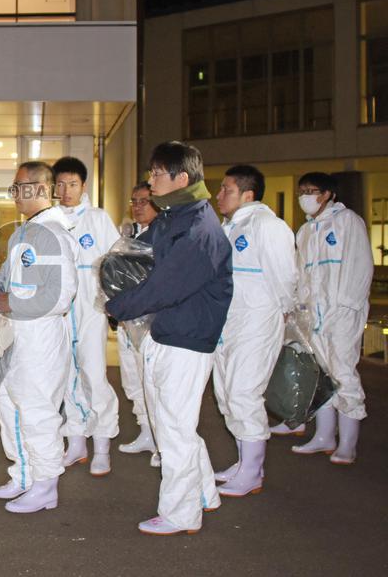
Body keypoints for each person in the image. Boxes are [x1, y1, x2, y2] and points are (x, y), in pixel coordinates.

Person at [105, 141, 232, 536]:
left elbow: (164, 286)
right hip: (168, 331)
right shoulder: (174, 217)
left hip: (186, 338)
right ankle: (205, 493)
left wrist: (117, 306)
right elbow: (141, 261)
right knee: (172, 424)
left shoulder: (198, 228)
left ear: (181, 178)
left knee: (173, 430)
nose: (150, 180)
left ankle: (181, 513)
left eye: (157, 173)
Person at [0, 161, 78, 514]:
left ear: (42, 188)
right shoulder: (23, 232)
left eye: (19, 186)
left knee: (38, 411)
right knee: (8, 405)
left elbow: (60, 295)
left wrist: (11, 301)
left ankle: (46, 485)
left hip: (39, 337)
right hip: (15, 335)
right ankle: (23, 473)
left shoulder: (52, 234)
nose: (14, 194)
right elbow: (13, 280)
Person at [211, 165, 296, 497]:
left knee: (245, 393)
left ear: (247, 194)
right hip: (229, 323)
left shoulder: (267, 226)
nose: (219, 195)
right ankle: (244, 460)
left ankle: (253, 472)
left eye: (226, 190)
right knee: (227, 394)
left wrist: (284, 317)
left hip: (257, 322)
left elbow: (285, 279)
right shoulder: (229, 227)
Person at [277, 172, 373, 465]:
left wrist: (346, 307)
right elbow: (301, 274)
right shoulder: (305, 232)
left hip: (342, 314)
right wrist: (297, 307)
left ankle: (347, 444)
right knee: (319, 377)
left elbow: (361, 266)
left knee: (343, 373)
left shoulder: (348, 223)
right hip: (313, 316)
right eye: (302, 190)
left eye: (312, 190)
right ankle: (324, 436)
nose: (306, 196)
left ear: (329, 194)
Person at [52, 156, 120, 476]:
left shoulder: (98, 219)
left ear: (84, 186)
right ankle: (76, 441)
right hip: (61, 312)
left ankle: (103, 445)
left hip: (91, 308)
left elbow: (115, 263)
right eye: (61, 184)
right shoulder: (49, 220)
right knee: (66, 376)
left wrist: (112, 302)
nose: (66, 190)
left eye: (73, 184)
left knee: (94, 374)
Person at [116, 182, 160, 460]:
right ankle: (146, 431)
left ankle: (161, 439)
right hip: (128, 318)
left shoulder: (164, 234)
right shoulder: (131, 234)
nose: (138, 206)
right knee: (132, 379)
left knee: (152, 381)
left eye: (145, 200)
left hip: (151, 321)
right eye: (134, 201)